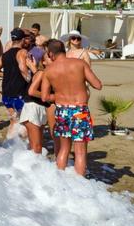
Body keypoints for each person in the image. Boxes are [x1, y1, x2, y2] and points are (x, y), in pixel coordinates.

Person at [41, 39, 103, 176]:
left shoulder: (48, 70)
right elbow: (97, 85)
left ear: (51, 54)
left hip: (62, 110)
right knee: (80, 151)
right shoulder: (79, 64)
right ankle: (79, 184)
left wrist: (59, 96)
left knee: (64, 149)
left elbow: (45, 97)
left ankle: (60, 178)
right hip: (79, 110)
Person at [0, 28, 31, 139]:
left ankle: (10, 146)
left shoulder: (5, 55)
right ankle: (22, 147)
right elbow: (24, 71)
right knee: (24, 122)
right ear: (23, 39)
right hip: (19, 92)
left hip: (6, 94)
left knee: (14, 120)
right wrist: (32, 82)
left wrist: (6, 75)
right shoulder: (22, 52)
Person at [20, 47, 53, 154]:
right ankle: (35, 168)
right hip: (32, 108)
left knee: (34, 145)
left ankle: (31, 167)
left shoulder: (43, 73)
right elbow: (31, 91)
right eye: (49, 58)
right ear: (43, 61)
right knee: (37, 146)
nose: (53, 59)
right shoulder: (41, 73)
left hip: (39, 108)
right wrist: (48, 97)